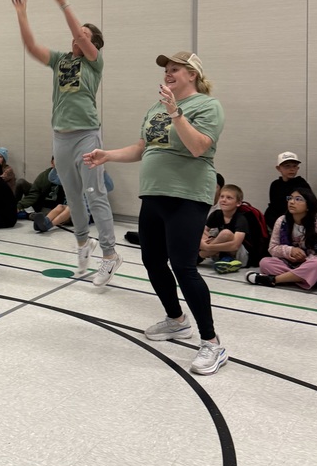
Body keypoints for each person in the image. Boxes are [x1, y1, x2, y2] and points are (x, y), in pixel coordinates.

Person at [85, 51, 227, 375]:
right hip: (153, 195)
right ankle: (176, 320)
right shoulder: (155, 108)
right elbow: (143, 147)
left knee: (183, 266)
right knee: (151, 260)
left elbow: (198, 147)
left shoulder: (208, 106)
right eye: (166, 69)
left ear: (192, 74)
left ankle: (212, 343)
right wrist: (107, 155)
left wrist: (176, 113)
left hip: (187, 196)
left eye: (175, 69)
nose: (168, 73)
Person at [12, 0, 120, 286]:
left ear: (92, 45)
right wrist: (22, 13)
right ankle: (83, 246)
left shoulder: (94, 63)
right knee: (72, 197)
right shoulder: (60, 60)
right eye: (76, 33)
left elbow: (81, 36)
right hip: (60, 136)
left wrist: (63, 3)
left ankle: (111, 256)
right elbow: (32, 46)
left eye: (83, 35)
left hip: (87, 135)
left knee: (94, 194)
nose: (76, 36)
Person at [247, 186, 317, 290]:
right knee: (265, 262)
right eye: (290, 198)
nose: (291, 202)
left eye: (298, 199)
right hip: (287, 263)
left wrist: (306, 259)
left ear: (308, 206)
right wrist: (290, 251)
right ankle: (313, 281)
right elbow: (272, 248)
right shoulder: (281, 221)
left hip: (309, 264)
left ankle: (273, 280)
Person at [198, 184, 249, 273]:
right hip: (218, 250)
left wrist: (207, 247)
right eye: (222, 197)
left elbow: (235, 246)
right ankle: (223, 259)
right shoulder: (216, 214)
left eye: (229, 198)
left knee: (226, 233)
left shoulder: (240, 219)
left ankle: (199, 256)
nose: (224, 200)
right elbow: (203, 231)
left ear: (238, 203)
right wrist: (208, 241)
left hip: (238, 254)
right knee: (199, 228)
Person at [264, 152, 312, 229]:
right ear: (279, 168)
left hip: (296, 223)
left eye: (294, 166)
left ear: (297, 168)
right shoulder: (275, 185)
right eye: (287, 166)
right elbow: (273, 206)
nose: (291, 169)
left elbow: (310, 205)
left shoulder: (302, 184)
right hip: (275, 223)